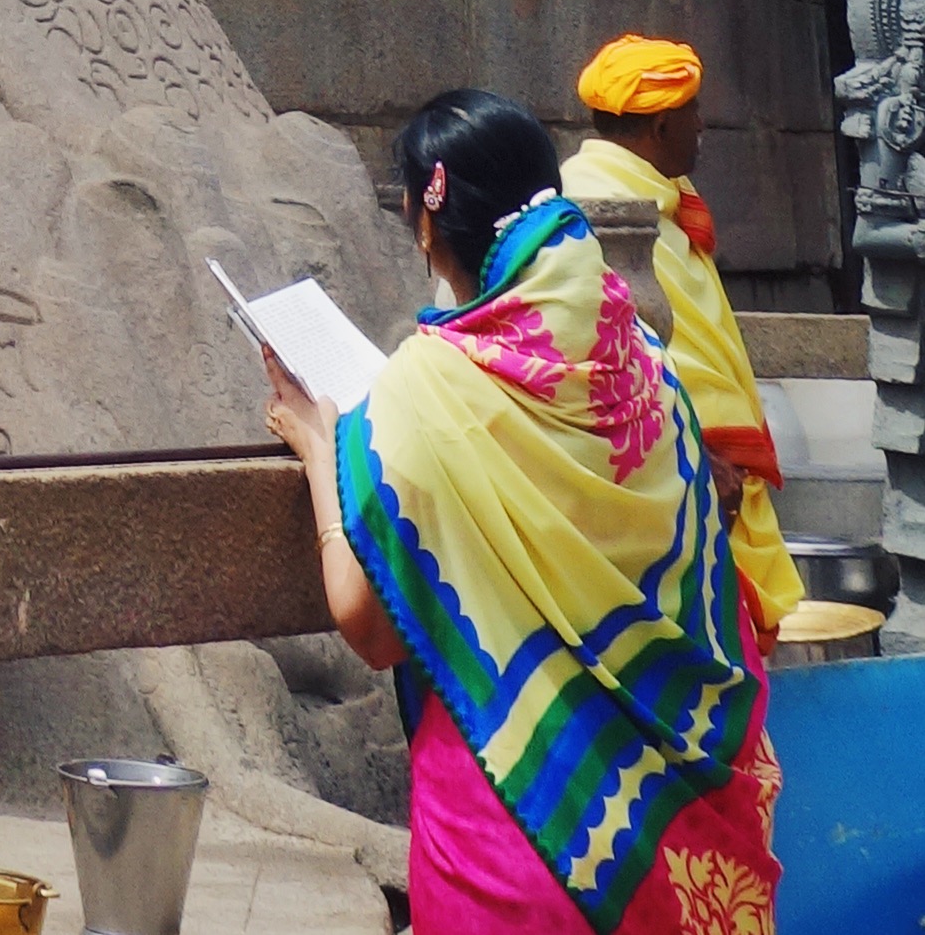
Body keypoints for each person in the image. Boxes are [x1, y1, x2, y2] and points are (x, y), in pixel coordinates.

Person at [264, 88, 777, 934]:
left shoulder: (426, 387)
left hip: (516, 823)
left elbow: (370, 624)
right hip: (674, 830)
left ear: (423, 220)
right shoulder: (638, 351)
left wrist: (323, 449)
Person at [564, 38, 797, 645]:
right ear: (663, 122)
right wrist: (692, 455)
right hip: (671, 467)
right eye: (693, 113)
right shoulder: (595, 205)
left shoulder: (658, 193)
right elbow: (618, 356)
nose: (702, 127)